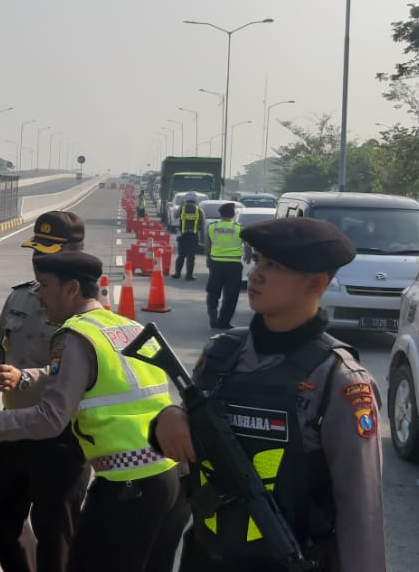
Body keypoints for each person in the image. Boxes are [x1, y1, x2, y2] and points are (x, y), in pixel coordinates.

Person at [150, 217, 386, 572]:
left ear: (315, 283)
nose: (255, 274)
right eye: (257, 260)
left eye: (273, 265)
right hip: (205, 556)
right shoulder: (221, 354)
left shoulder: (338, 380)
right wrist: (169, 418)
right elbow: (188, 444)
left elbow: (361, 509)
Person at [0, 251, 189, 572]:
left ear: (71, 289)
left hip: (129, 485)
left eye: (44, 286)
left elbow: (50, 418)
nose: (39, 297)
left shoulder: (76, 336)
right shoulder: (128, 327)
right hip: (169, 481)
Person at [0, 211, 91, 572]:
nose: (38, 260)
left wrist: (23, 377)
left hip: (60, 435)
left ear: (73, 251)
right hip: (14, 427)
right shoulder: (22, 297)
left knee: (55, 531)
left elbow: (73, 372)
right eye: (36, 251)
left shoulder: (82, 307)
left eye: (48, 253)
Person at [205, 202, 244, 330]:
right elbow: (248, 246)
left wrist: (208, 259)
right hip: (233, 265)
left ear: (220, 214)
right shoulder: (239, 228)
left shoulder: (212, 227)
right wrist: (249, 256)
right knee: (231, 295)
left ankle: (212, 313)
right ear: (233, 215)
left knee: (213, 292)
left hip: (216, 264)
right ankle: (224, 322)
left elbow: (207, 245)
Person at [172, 192, 204, 281]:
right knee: (191, 256)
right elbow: (202, 225)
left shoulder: (182, 209)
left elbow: (175, 216)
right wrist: (202, 239)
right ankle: (189, 275)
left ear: (186, 200)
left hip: (182, 236)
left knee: (181, 255)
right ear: (195, 200)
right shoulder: (199, 210)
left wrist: (180, 206)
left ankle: (177, 273)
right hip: (193, 236)